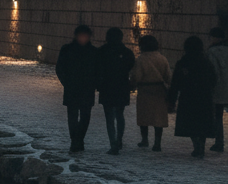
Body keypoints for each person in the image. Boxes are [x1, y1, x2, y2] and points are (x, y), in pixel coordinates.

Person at [168, 36, 218, 158]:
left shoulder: (183, 63)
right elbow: (213, 79)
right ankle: (201, 145)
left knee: (190, 123)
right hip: (204, 96)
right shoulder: (206, 62)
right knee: (202, 123)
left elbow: (175, 83)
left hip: (188, 97)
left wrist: (171, 99)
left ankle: (196, 145)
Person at [56, 25, 98, 152]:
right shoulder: (68, 50)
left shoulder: (93, 52)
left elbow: (99, 70)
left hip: (85, 88)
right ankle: (76, 140)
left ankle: (77, 140)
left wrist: (94, 83)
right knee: (73, 117)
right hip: (74, 88)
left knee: (84, 116)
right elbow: (60, 68)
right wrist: (66, 82)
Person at [96, 27, 135, 155]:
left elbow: (97, 68)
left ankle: (113, 143)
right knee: (120, 114)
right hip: (122, 85)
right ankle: (119, 140)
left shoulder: (102, 51)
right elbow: (130, 67)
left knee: (109, 117)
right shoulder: (127, 52)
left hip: (106, 86)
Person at [129, 35, 172, 152]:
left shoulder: (141, 59)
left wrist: (132, 85)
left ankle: (144, 140)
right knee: (159, 118)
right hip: (159, 91)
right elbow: (168, 77)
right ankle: (157, 143)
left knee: (144, 116)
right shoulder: (162, 58)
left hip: (145, 90)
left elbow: (137, 76)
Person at [208, 27, 228, 152]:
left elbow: (212, 72)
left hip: (218, 88)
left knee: (218, 116)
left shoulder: (211, 52)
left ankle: (219, 142)